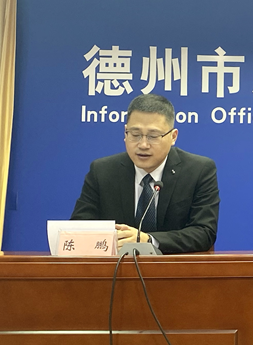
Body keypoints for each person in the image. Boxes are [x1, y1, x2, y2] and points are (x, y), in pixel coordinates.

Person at [71, 94, 219, 254]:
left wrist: (148, 240)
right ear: (125, 133)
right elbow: (79, 228)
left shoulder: (198, 170)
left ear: (173, 136)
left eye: (153, 136)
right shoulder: (102, 171)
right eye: (135, 135)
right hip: (116, 267)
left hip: (175, 267)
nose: (143, 144)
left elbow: (204, 232)